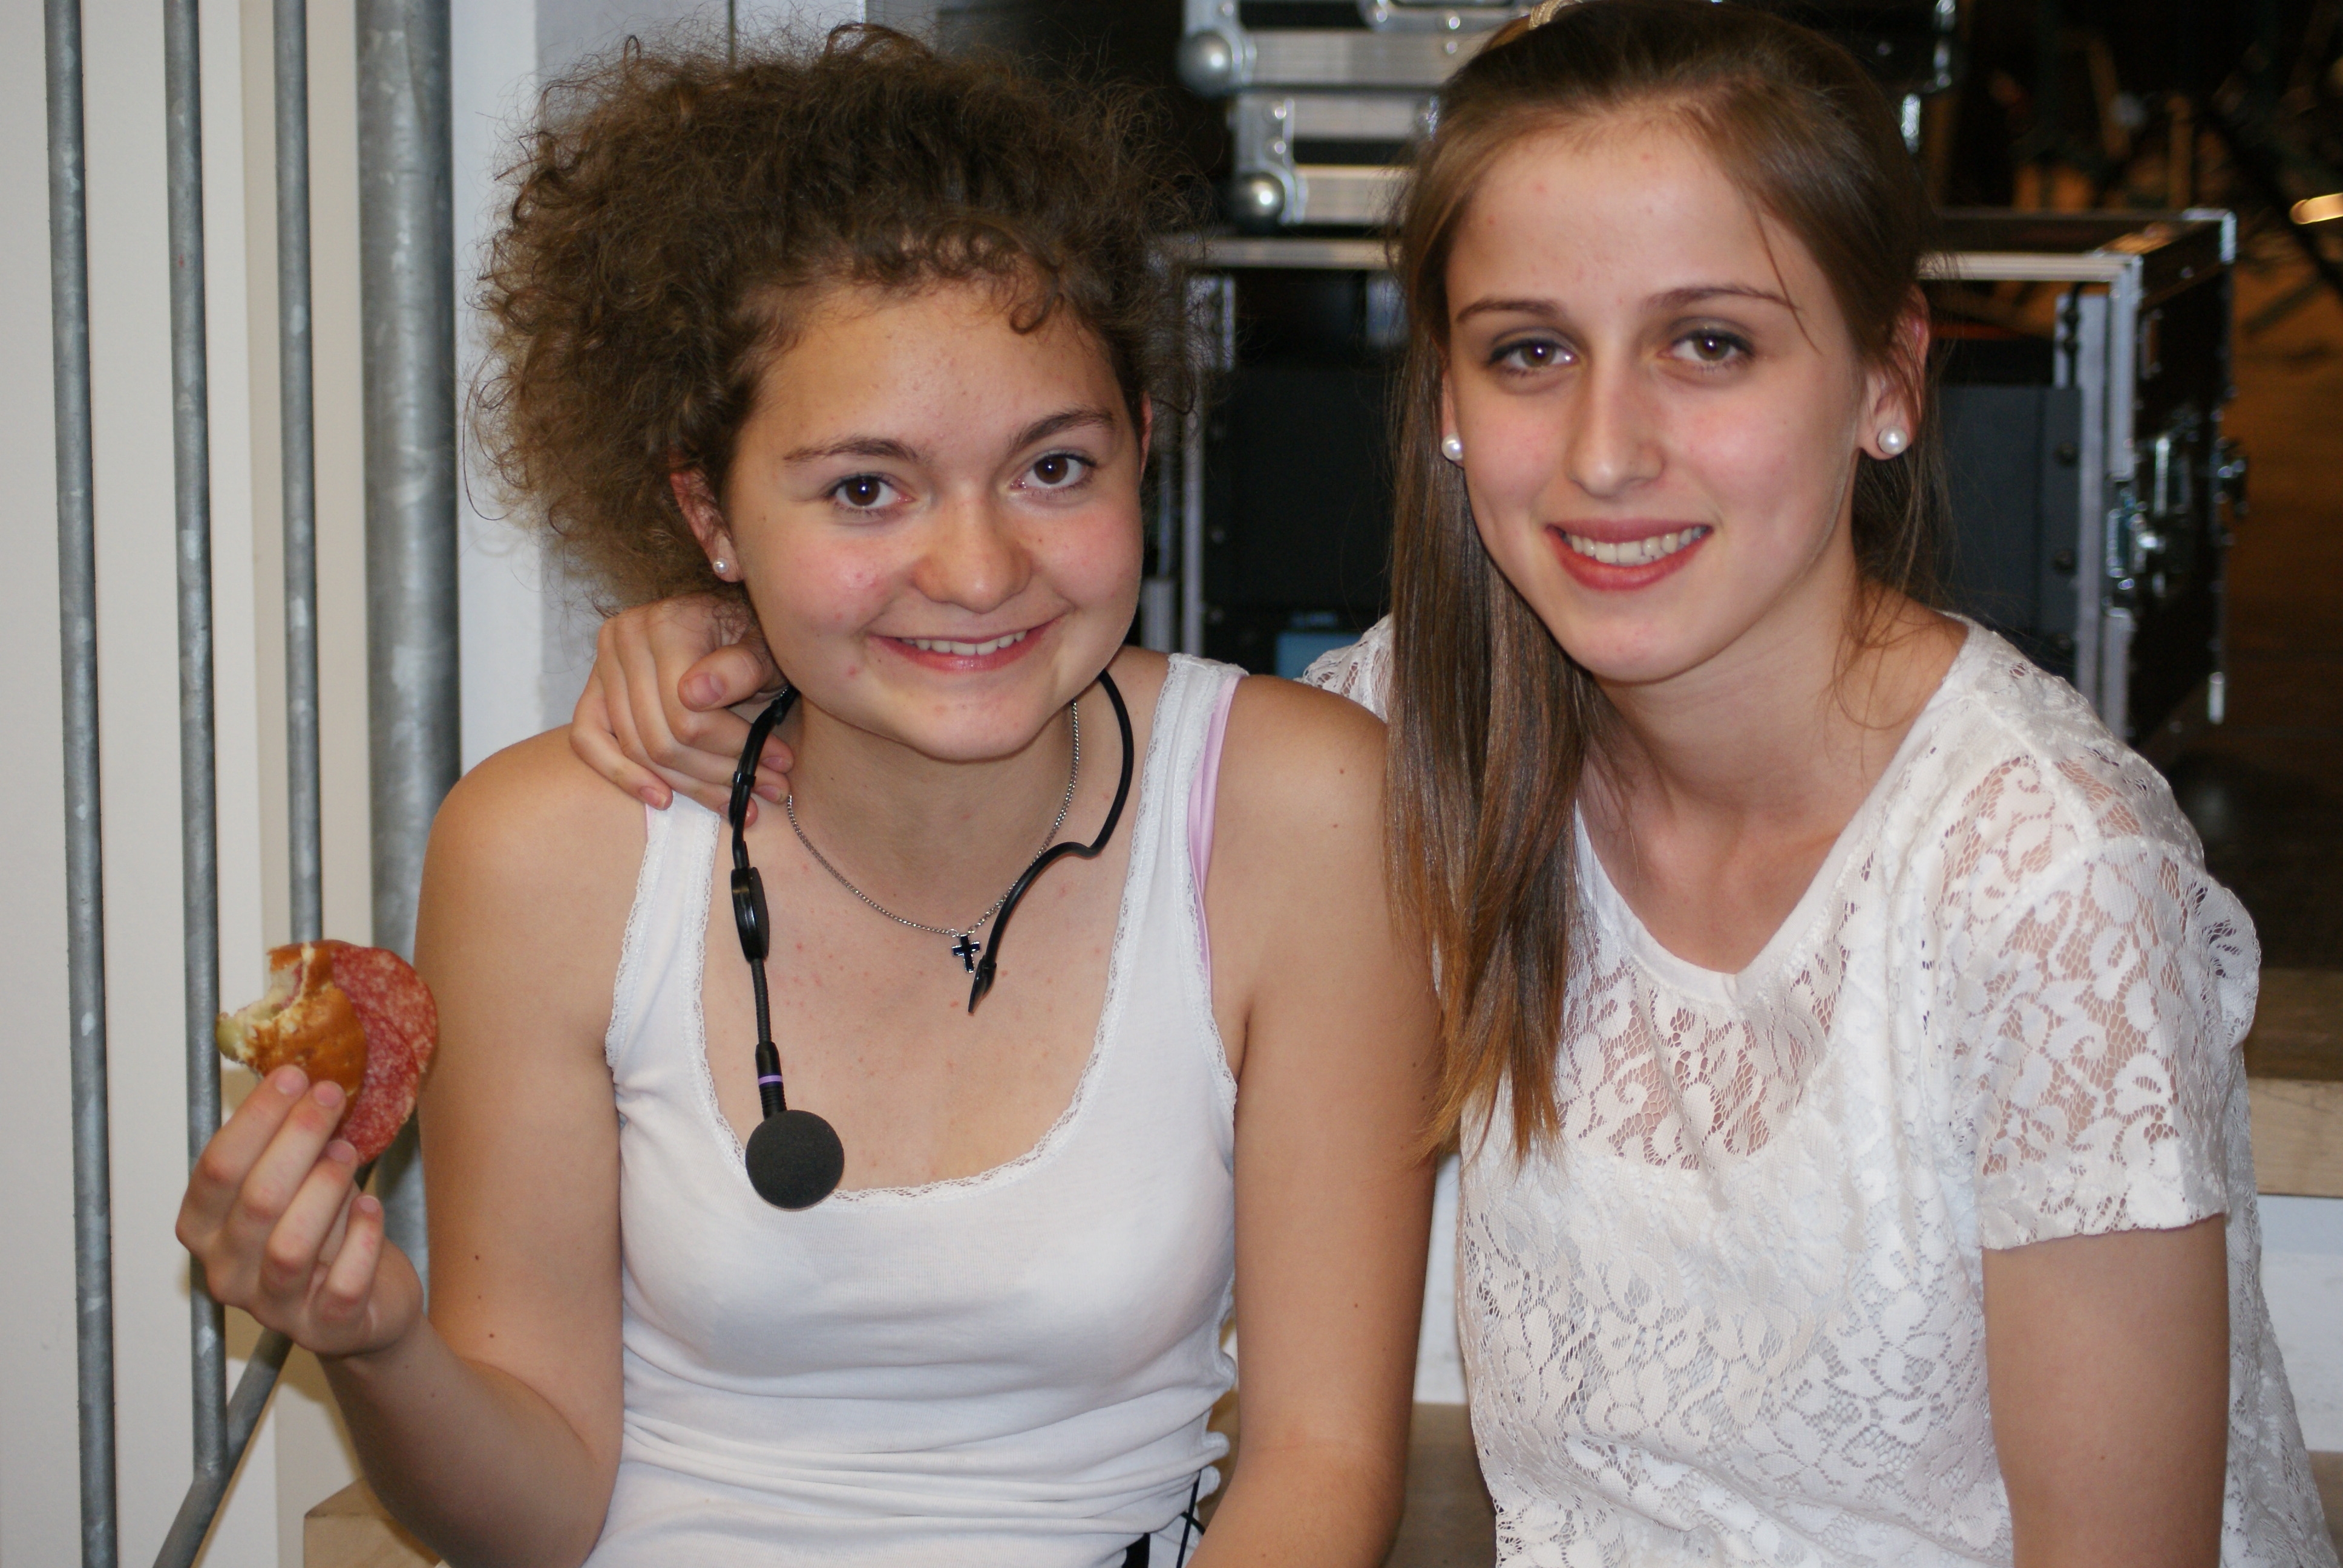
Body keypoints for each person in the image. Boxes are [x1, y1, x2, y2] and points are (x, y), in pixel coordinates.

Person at [577, 3, 2340, 1564]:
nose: (1606, 451)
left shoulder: (2045, 877)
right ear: (1443, 398)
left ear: (1886, 381)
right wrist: (748, 634)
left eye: (1710, 344)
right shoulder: (1419, 732)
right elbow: (1048, 698)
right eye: (1529, 352)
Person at [174, 28, 1438, 1568]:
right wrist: (376, 1343)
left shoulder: (1303, 814)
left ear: (1145, 450)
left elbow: (1319, 1467)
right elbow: (537, 1511)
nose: (976, 570)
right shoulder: (545, 855)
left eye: (1052, 469)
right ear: (709, 514)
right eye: (863, 490)